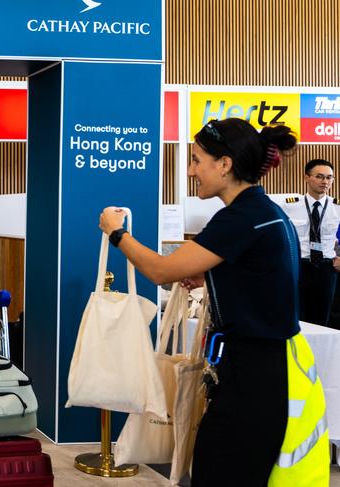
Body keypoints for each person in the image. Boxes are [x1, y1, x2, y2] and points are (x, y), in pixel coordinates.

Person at [99, 118, 328, 486]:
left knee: (220, 470)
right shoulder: (266, 213)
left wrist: (117, 232)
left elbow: (160, 270)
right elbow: (260, 271)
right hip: (264, 371)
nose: (191, 171)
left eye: (196, 160)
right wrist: (211, 275)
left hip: (252, 376)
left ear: (224, 164)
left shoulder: (240, 219)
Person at [281, 159, 340, 327]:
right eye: (320, 176)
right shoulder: (289, 205)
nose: (325, 181)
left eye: (329, 177)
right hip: (299, 266)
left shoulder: (337, 206)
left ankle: (321, 353)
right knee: (297, 316)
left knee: (323, 317)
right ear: (307, 178)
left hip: (327, 268)